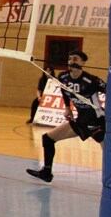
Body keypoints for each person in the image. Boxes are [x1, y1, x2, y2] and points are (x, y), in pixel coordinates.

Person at [26, 51, 105, 183]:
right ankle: (46, 172)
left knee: (109, 152)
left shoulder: (92, 80)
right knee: (48, 138)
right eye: (69, 59)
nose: (72, 61)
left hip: (97, 121)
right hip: (81, 121)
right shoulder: (63, 77)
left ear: (83, 63)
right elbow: (64, 91)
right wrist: (68, 108)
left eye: (75, 59)